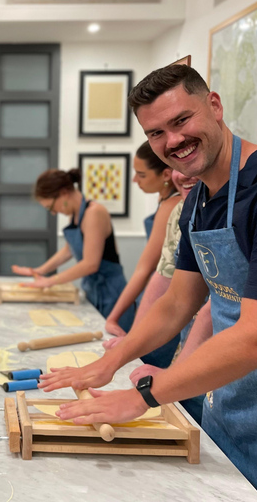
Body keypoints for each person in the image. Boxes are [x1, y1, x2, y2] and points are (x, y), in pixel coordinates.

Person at [38, 64, 257, 502]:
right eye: (155, 133)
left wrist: (144, 396)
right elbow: (176, 304)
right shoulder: (199, 201)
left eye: (181, 121)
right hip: (232, 409)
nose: (172, 141)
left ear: (215, 106)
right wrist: (113, 360)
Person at [110, 167, 211, 424]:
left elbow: (215, 306)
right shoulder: (182, 210)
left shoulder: (237, 208)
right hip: (188, 340)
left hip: (221, 352)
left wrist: (174, 375)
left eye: (141, 173)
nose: (183, 175)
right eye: (177, 167)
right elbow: (164, 280)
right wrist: (130, 342)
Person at [12, 168, 134, 329]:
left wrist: (50, 281)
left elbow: (90, 264)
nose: (54, 213)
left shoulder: (94, 213)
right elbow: (69, 250)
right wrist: (39, 271)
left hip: (112, 293)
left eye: (51, 207)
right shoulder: (76, 214)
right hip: (92, 289)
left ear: (63, 193)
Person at [104, 141, 181, 368]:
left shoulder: (171, 205)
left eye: (141, 175)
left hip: (163, 304)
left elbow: (146, 268)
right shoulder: (164, 200)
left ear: (166, 174)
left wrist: (113, 317)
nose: (134, 181)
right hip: (152, 299)